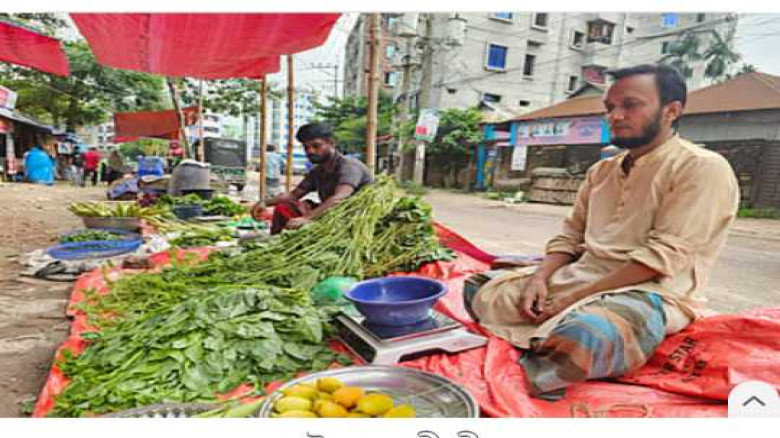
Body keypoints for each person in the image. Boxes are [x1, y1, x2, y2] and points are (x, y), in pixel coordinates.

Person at [464, 64, 739, 399]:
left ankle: (545, 355)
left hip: (650, 292)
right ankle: (543, 346)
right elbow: (570, 237)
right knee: (477, 288)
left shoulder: (701, 167)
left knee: (585, 336)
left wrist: (569, 299)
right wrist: (539, 278)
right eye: (610, 108)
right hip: (579, 277)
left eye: (630, 105)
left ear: (672, 111)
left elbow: (659, 259)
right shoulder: (601, 171)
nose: (616, 116)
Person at [251, 123, 373, 235]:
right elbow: (293, 195)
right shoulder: (318, 171)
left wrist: (307, 218)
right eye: (306, 147)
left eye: (316, 146)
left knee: (306, 213)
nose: (310, 151)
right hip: (331, 215)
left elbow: (339, 198)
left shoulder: (349, 166)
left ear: (331, 143)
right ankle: (275, 242)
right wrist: (264, 203)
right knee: (285, 207)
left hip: (354, 219)